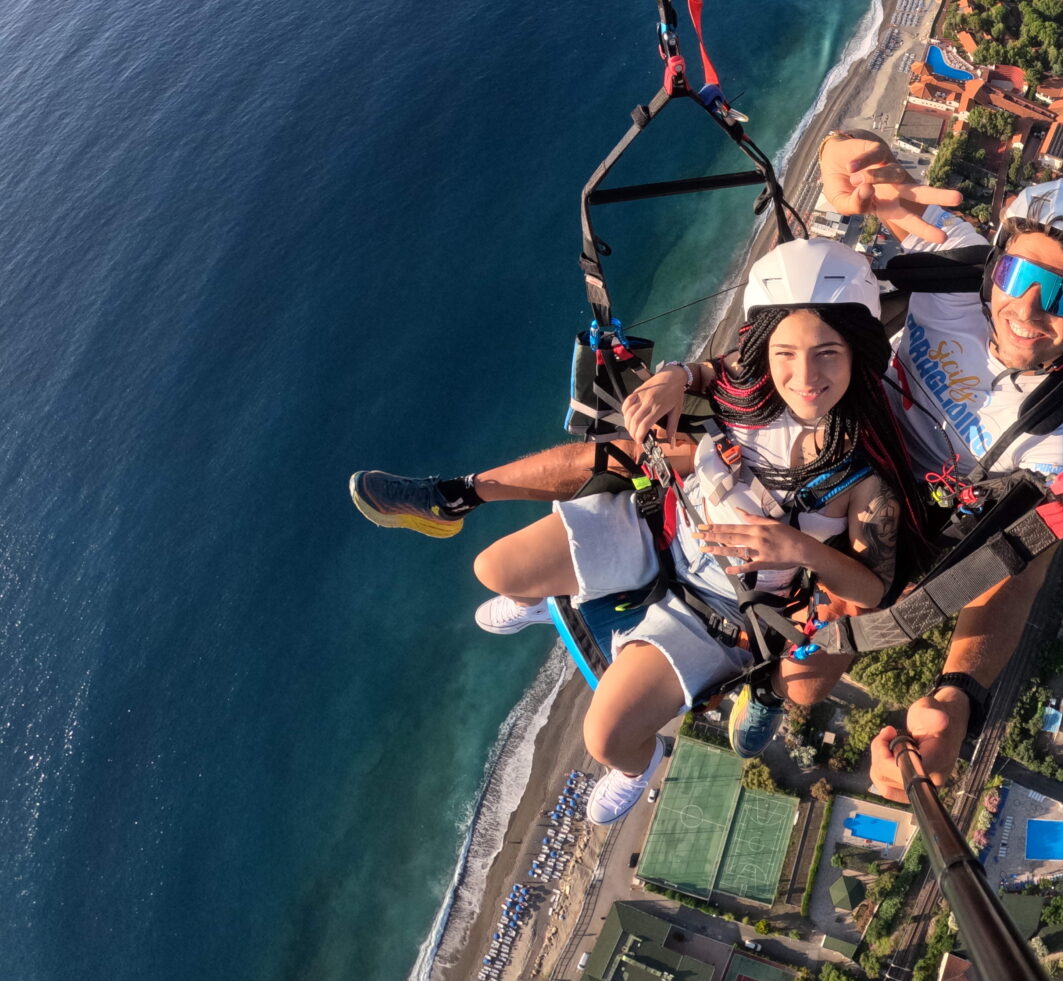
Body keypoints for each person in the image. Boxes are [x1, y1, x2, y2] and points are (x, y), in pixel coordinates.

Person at [350, 237, 924, 823]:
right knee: (493, 568)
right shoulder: (753, 386)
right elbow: (710, 370)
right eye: (786, 353)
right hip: (661, 531)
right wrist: (675, 376)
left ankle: (636, 765)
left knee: (605, 735)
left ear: (857, 352)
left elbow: (872, 591)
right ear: (764, 348)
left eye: (828, 354)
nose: (803, 376)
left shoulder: (862, 477)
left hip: (723, 608)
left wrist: (797, 547)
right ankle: (539, 590)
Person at [809, 132, 1063, 802]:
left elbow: (1015, 576)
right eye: (1018, 277)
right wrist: (840, 161)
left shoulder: (1052, 441)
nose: (1027, 308)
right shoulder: (956, 260)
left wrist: (957, 697)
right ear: (995, 266)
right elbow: (881, 187)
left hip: (895, 526)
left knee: (805, 678)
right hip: (843, 439)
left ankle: (752, 686)